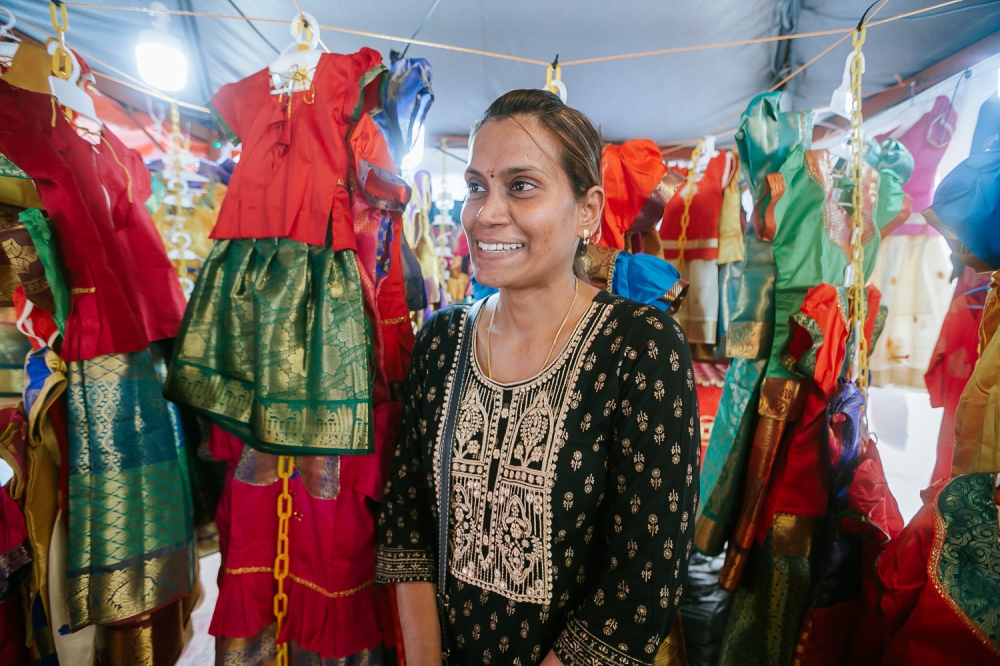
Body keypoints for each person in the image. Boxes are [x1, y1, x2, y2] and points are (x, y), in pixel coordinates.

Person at [375, 89, 700, 666]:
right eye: (477, 186)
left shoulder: (639, 347)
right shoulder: (442, 341)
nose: (486, 213)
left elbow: (642, 580)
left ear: (587, 210)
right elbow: (408, 529)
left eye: (521, 186)